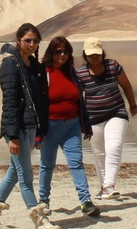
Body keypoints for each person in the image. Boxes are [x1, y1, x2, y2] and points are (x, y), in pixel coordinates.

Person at [0, 23, 60, 229]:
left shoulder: (33, 65)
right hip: (18, 128)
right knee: (25, 175)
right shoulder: (10, 64)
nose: (31, 44)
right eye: (27, 40)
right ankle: (39, 220)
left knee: (15, 171)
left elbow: (38, 99)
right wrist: (12, 136)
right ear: (18, 40)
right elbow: (10, 101)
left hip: (31, 125)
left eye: (35, 41)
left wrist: (40, 127)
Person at [38, 36, 101, 218]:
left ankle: (85, 201)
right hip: (50, 125)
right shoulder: (44, 73)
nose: (62, 55)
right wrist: (37, 131)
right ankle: (44, 201)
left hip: (72, 125)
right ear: (51, 53)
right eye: (58, 51)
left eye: (66, 52)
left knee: (76, 163)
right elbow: (37, 101)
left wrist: (86, 125)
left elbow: (80, 101)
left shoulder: (71, 72)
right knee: (47, 164)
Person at [76, 37, 137, 200]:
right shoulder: (81, 73)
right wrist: (80, 120)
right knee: (99, 153)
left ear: (102, 53)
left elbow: (126, 85)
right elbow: (78, 99)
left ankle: (109, 184)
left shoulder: (113, 66)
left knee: (114, 146)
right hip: (93, 118)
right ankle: (104, 187)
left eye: (97, 54)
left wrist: (132, 106)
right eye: (90, 55)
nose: (94, 57)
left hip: (116, 113)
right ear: (85, 55)